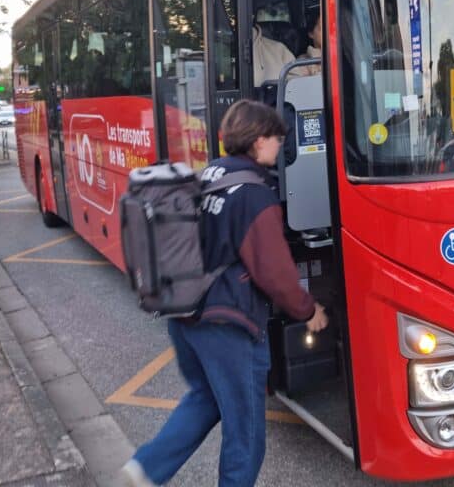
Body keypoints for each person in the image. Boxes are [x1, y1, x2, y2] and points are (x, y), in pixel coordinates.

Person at [119, 100, 329, 487]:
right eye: (276, 138)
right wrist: (307, 309)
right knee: (246, 432)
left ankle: (146, 467)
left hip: (186, 315)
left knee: (206, 398)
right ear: (259, 139)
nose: (280, 146)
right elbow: (276, 273)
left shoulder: (211, 173)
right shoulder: (255, 194)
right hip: (230, 326)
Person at [286, 12, 322, 80]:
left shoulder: (345, 54)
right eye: (322, 28)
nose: (329, 32)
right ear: (311, 34)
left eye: (332, 27)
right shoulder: (302, 63)